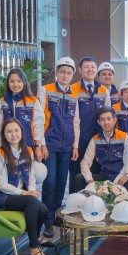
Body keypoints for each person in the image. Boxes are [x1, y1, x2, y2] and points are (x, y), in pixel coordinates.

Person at [0, 118, 52, 255]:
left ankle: (36, 236)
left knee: (43, 209)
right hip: (0, 196)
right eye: (9, 131)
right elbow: (1, 184)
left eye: (16, 130)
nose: (13, 134)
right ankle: (33, 247)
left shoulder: (28, 150)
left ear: (21, 132)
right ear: (4, 135)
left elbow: (32, 175)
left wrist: (31, 191)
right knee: (32, 202)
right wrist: (24, 193)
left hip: (21, 195)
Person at [36, 57, 80, 239]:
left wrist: (75, 144)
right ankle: (47, 222)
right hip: (50, 145)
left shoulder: (74, 95)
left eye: (69, 73)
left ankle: (55, 215)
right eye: (62, 72)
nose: (65, 75)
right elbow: (38, 119)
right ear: (56, 72)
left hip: (67, 145)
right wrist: (41, 144)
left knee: (62, 182)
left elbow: (76, 121)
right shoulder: (45, 90)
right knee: (50, 182)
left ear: (72, 75)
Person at [69, 57, 111, 193]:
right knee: (76, 174)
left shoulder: (103, 90)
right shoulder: (72, 89)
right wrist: (74, 143)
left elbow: (108, 114)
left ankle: (95, 202)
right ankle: (74, 201)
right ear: (80, 70)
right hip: (80, 139)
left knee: (96, 173)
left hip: (99, 140)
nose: (90, 70)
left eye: (93, 67)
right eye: (86, 67)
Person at [76, 107, 128, 188]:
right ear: (99, 122)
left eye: (109, 119)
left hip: (120, 177)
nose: (106, 122)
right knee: (79, 178)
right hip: (104, 177)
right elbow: (85, 163)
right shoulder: (95, 139)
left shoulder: (124, 137)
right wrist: (90, 181)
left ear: (114, 120)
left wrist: (117, 181)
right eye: (102, 119)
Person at [0, 67, 43, 156]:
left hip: (28, 145)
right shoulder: (2, 102)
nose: (15, 84)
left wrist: (38, 146)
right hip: (7, 146)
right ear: (8, 83)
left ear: (24, 82)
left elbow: (38, 126)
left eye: (19, 81)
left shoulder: (33, 101)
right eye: (12, 81)